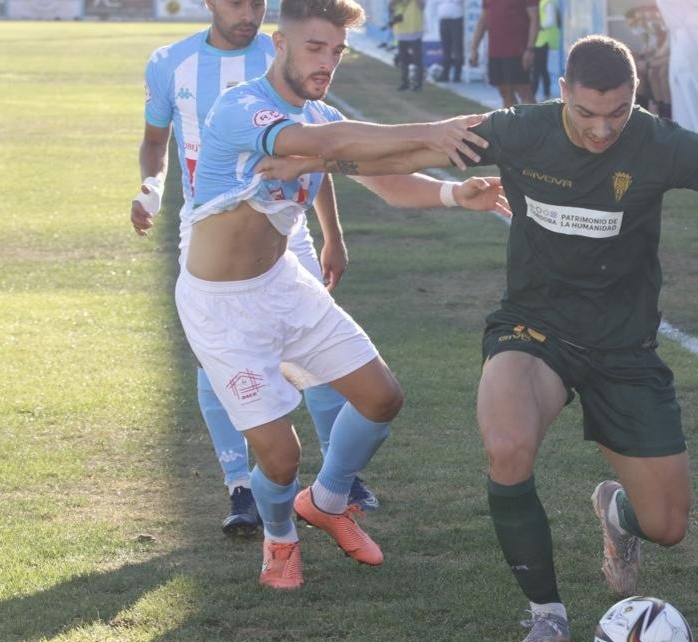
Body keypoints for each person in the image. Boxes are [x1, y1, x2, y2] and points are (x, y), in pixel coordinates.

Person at [267, 34, 698, 642]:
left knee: (668, 526)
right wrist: (291, 151)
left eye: (618, 113)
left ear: (635, 100)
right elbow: (384, 153)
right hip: (532, 328)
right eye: (587, 112)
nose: (602, 129)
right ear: (562, 92)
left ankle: (616, 511)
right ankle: (546, 614)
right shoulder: (519, 131)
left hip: (624, 347)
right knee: (505, 443)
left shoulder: (662, 144)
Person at [179, 0, 508, 590]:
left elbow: (387, 173)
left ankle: (326, 502)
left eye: (337, 52)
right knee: (280, 457)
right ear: (279, 44)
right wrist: (428, 131)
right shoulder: (241, 108)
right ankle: (280, 539)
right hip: (220, 308)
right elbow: (324, 143)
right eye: (314, 48)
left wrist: (457, 194)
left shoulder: (322, 114)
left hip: (282, 285)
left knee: (382, 398)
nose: (327, 62)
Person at [131, 0, 380, 539]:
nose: (247, 11)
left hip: (290, 225)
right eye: (235, 1)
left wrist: (332, 232)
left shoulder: (287, 57)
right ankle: (242, 485)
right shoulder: (171, 62)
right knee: (217, 360)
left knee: (319, 354)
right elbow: (156, 142)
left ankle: (338, 481)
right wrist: (150, 189)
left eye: (256, 2)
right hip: (212, 227)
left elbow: (323, 150)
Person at [468, 0, 538, 108]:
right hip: (495, 50)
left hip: (517, 50)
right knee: (504, 92)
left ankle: (537, 125)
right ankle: (512, 124)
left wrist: (530, 49)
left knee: (523, 90)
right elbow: (483, 20)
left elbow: (535, 18)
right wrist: (474, 48)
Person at [390, 0, 425, 91]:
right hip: (401, 31)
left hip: (415, 30)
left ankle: (418, 83)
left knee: (417, 58)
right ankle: (405, 82)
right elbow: (391, 6)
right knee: (403, 59)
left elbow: (422, 6)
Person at [529, 0, 560, 101]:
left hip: (544, 40)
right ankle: (545, 94)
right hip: (542, 40)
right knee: (542, 69)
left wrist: (538, 26)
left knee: (537, 69)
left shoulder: (547, 2)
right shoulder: (545, 2)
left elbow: (550, 20)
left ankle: (532, 95)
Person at [430, 0, 465, 82]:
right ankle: (445, 74)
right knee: (446, 49)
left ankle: (457, 75)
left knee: (457, 48)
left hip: (456, 19)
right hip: (443, 19)